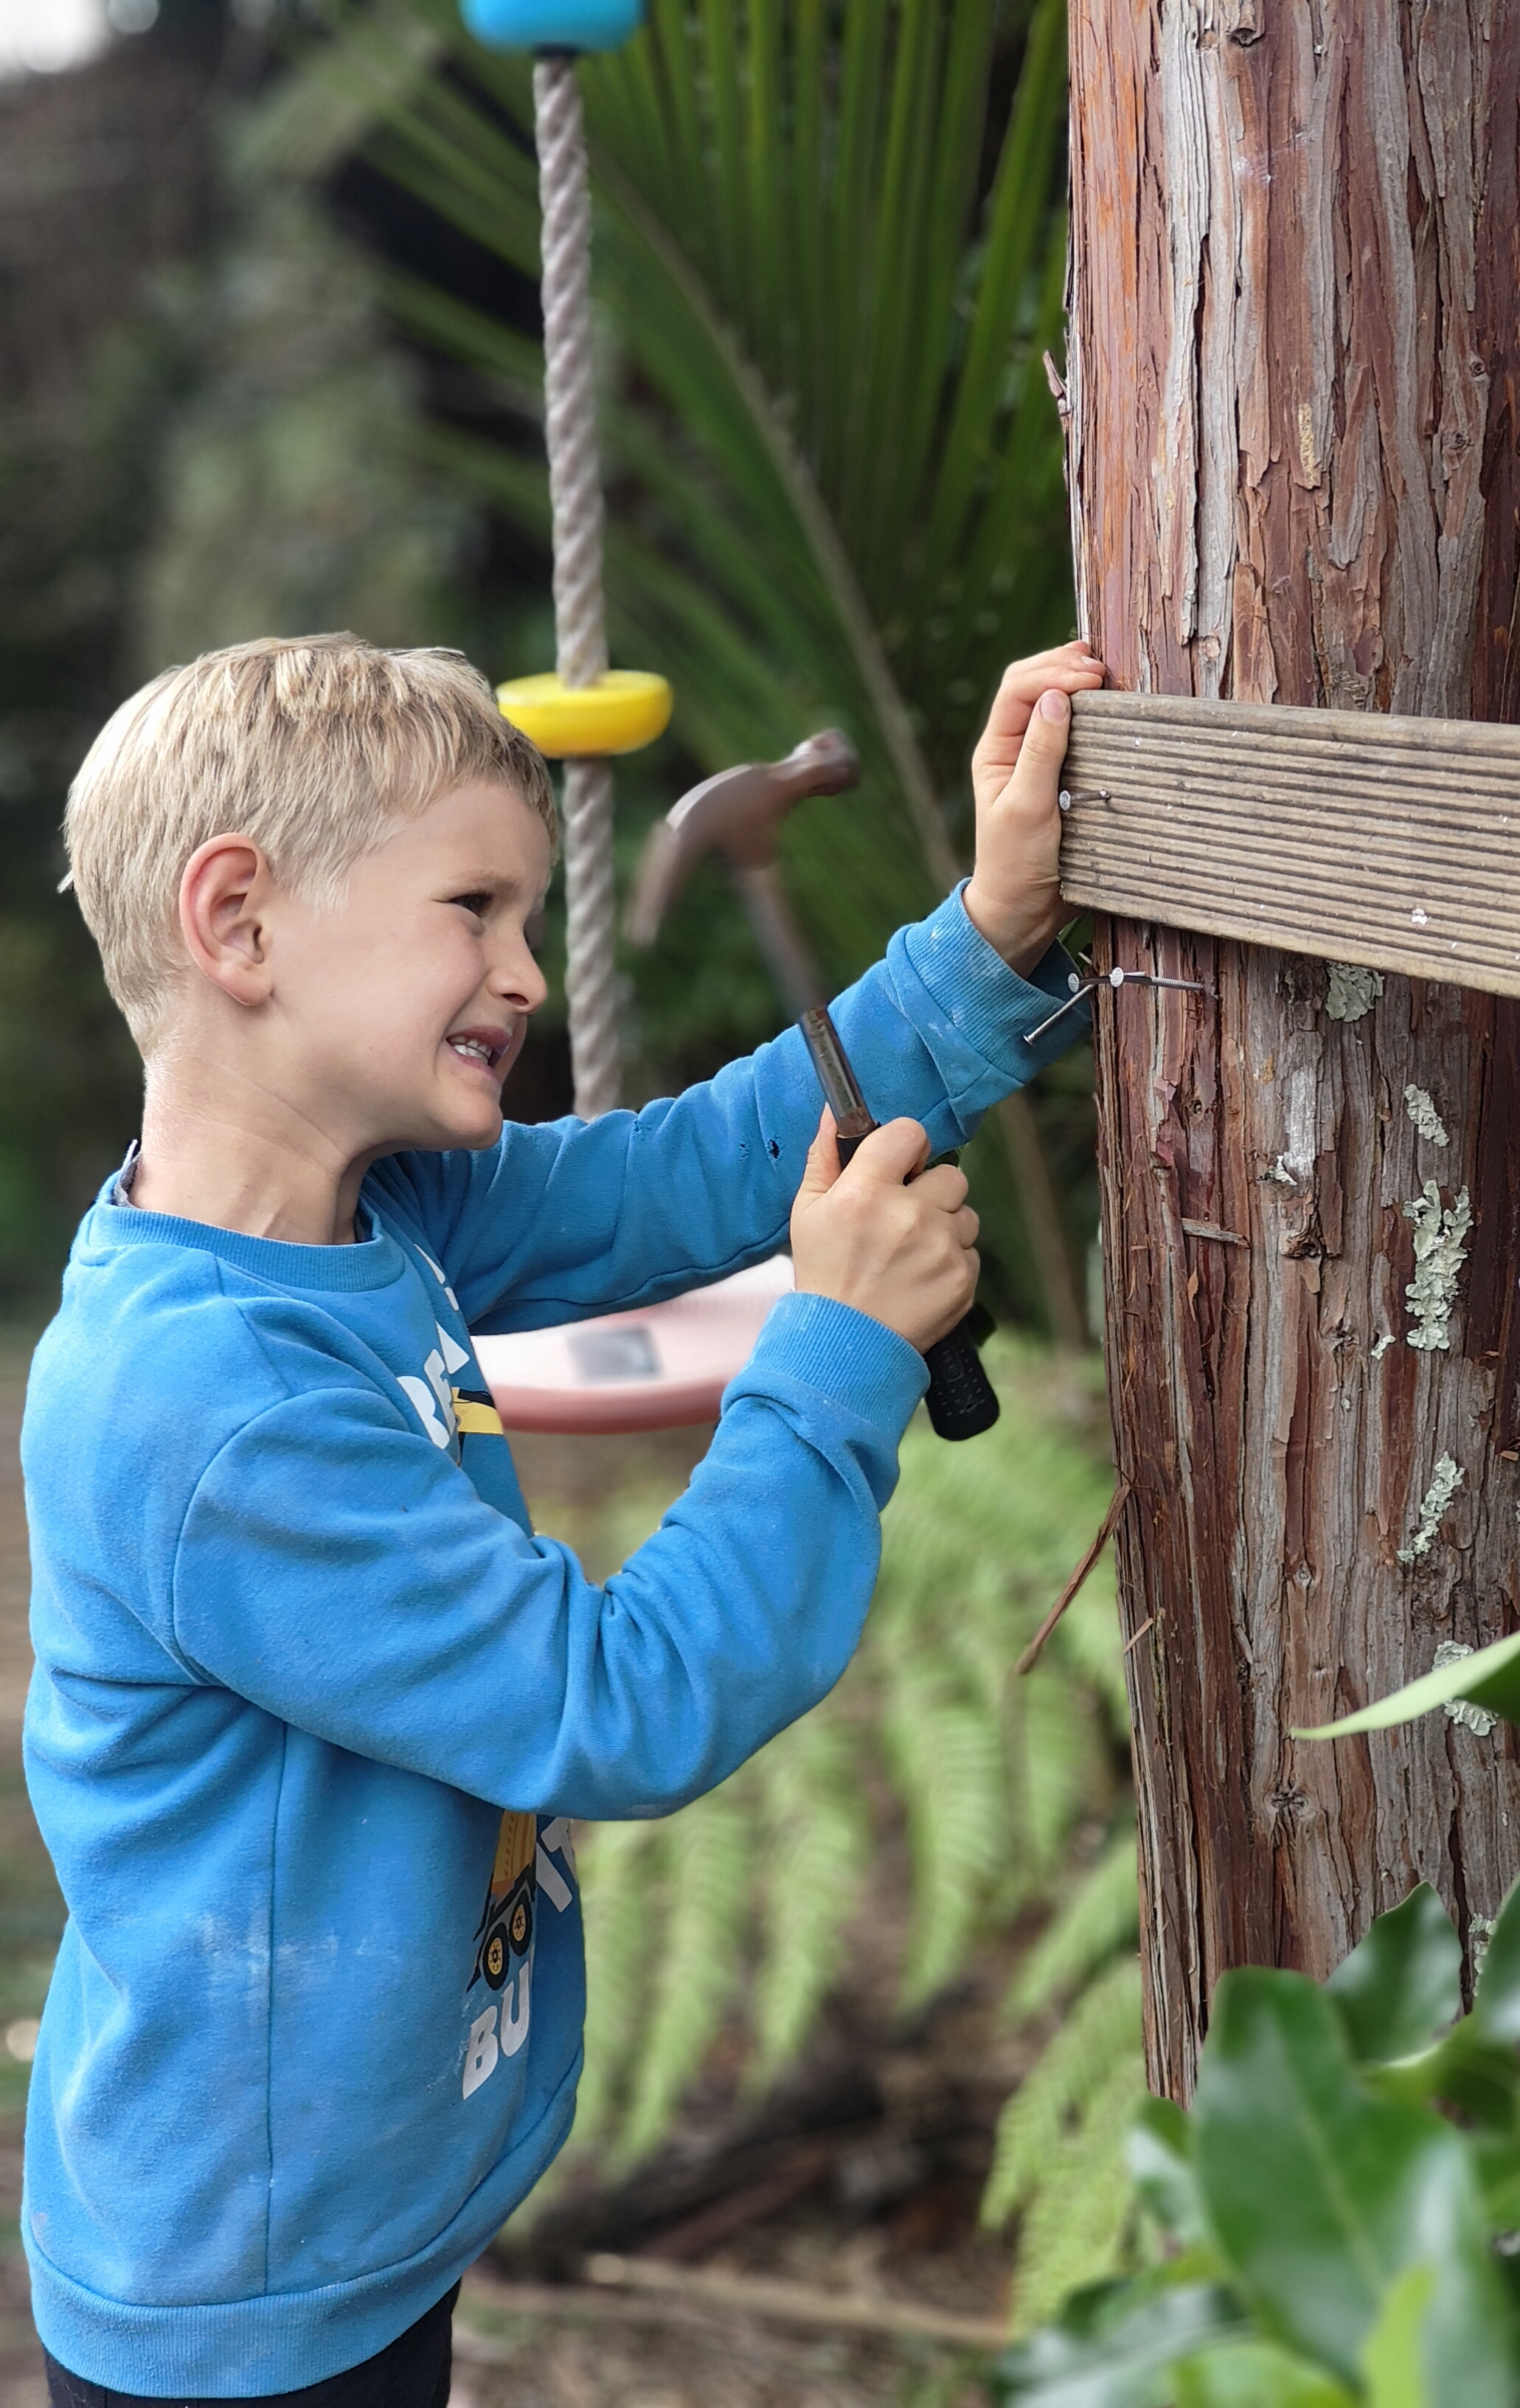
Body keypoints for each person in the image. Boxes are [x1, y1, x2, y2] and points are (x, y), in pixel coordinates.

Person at [21, 631, 1104, 2408]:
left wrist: (986, 940)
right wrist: (832, 1357)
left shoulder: (373, 1214)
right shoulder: (212, 1406)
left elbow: (680, 1173)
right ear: (240, 925)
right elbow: (617, 1703)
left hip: (350, 2208)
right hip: (239, 2286)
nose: (524, 971)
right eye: (475, 908)